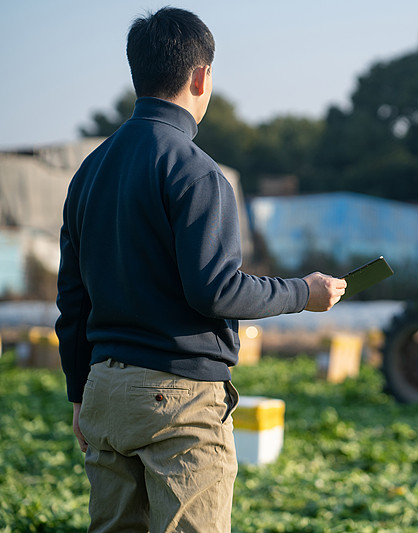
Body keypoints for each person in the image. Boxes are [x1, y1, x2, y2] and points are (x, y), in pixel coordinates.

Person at [55, 7, 346, 532]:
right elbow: (216, 290)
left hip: (103, 390)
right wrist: (303, 292)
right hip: (179, 399)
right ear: (201, 76)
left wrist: (80, 393)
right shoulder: (195, 170)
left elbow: (72, 301)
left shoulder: (88, 172)